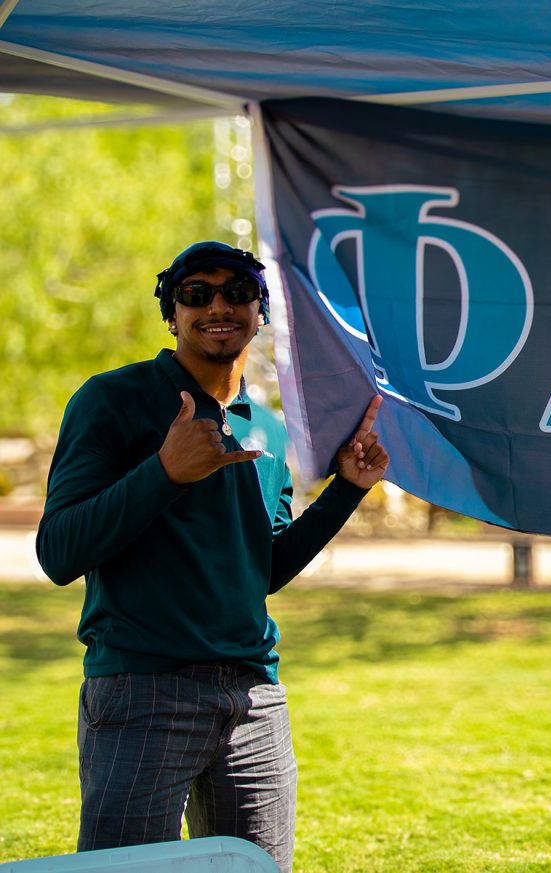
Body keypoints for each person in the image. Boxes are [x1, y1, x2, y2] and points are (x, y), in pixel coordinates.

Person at [36, 241, 390, 872]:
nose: (217, 306)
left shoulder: (268, 427)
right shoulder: (113, 400)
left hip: (255, 698)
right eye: (196, 294)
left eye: (236, 293)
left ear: (261, 310)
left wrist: (347, 491)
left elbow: (267, 569)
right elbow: (59, 551)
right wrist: (165, 472)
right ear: (171, 313)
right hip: (142, 692)